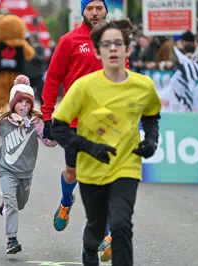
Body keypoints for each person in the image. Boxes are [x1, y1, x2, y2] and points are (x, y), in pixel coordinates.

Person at [51, 20, 161, 266]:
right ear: (98, 51)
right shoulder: (84, 87)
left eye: (118, 44)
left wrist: (152, 139)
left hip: (126, 165)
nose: (113, 49)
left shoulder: (143, 86)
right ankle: (89, 250)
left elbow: (152, 115)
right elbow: (58, 127)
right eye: (106, 45)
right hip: (91, 170)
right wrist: (90, 147)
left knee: (121, 225)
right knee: (96, 230)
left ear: (127, 50)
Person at [41, 0, 115, 259]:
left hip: (106, 124)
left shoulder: (114, 40)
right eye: (89, 8)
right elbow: (53, 78)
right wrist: (48, 116)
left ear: (106, 10)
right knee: (72, 174)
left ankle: (107, 236)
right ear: (82, 12)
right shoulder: (69, 41)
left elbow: (125, 76)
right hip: (73, 122)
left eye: (99, 8)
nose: (95, 13)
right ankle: (65, 202)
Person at [0, 75, 57, 255]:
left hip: (26, 172)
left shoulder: (35, 123)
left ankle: (5, 204)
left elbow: (47, 142)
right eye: (20, 101)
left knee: (19, 204)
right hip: (6, 170)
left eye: (27, 103)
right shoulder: (4, 121)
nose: (24, 106)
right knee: (12, 204)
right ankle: (11, 240)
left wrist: (55, 135)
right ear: (13, 102)